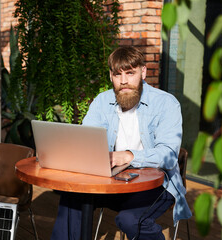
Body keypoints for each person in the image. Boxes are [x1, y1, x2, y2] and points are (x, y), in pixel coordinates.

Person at [51, 46, 192, 240]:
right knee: (72, 197)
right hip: (113, 184)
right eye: (118, 74)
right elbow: (86, 142)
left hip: (157, 185)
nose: (124, 81)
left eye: (130, 73)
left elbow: (168, 155)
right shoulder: (102, 102)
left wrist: (130, 155)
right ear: (111, 76)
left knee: (129, 219)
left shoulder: (167, 104)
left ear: (143, 72)